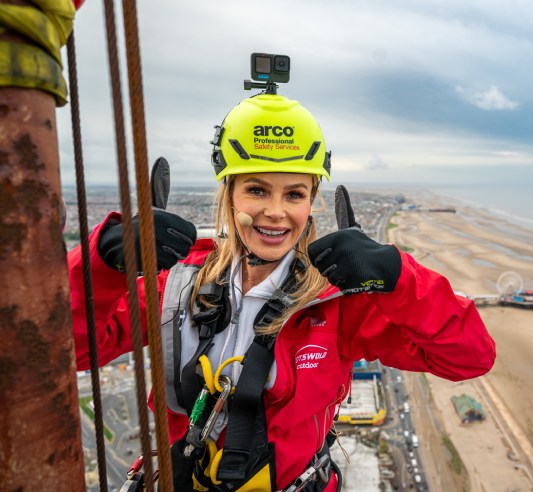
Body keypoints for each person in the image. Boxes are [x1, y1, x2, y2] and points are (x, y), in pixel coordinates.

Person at [68, 91, 496, 491]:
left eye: (294, 194)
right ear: (229, 194)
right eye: (256, 189)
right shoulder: (179, 286)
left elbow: (469, 356)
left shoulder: (337, 304)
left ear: (311, 202)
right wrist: (102, 264)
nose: (276, 212)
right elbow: (71, 351)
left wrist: (398, 275)